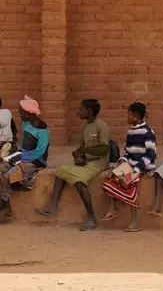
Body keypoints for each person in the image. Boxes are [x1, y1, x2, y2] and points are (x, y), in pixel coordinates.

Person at [37, 98, 110, 231]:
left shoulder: (101, 126)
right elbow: (81, 148)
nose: (78, 112)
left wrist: (84, 155)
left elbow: (104, 149)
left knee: (79, 180)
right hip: (87, 161)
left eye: (81, 109)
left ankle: (91, 218)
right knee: (61, 170)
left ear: (89, 111)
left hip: (98, 163)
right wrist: (78, 157)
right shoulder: (86, 127)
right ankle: (53, 205)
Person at [0, 96, 50, 224]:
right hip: (24, 155)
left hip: (37, 161)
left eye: (21, 112)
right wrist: (16, 155)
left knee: (7, 177)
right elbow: (25, 146)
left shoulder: (42, 128)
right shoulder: (26, 123)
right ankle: (6, 207)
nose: (19, 115)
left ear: (28, 113)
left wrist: (19, 158)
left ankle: (1, 209)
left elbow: (40, 151)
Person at [101, 102, 156, 231]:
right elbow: (127, 152)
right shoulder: (131, 132)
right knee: (111, 176)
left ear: (135, 116)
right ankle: (113, 208)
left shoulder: (148, 132)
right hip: (131, 164)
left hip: (143, 165)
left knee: (129, 184)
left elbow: (150, 155)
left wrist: (136, 169)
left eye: (129, 114)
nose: (127, 117)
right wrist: (121, 162)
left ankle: (135, 222)